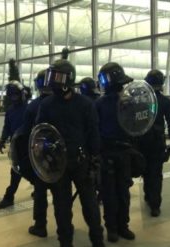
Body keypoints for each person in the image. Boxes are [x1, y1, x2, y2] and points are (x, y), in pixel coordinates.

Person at [36, 53, 105, 247]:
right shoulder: (47, 104)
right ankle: (65, 242)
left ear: (68, 78)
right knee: (62, 207)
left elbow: (93, 133)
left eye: (57, 77)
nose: (53, 82)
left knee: (90, 205)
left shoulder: (85, 104)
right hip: (58, 165)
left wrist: (95, 158)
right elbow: (40, 133)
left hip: (81, 162)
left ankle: (97, 241)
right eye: (52, 77)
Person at [95, 62, 137, 242]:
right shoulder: (126, 102)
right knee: (121, 192)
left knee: (111, 193)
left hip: (110, 154)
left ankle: (114, 228)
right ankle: (120, 227)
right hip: (119, 153)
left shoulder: (100, 104)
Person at [138, 69, 170, 217]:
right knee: (155, 173)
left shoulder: (140, 101)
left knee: (145, 171)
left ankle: (148, 196)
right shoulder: (165, 101)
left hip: (141, 143)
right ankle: (155, 205)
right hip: (157, 143)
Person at [0, 59, 29, 209]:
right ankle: (9, 197)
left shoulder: (30, 109)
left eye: (16, 95)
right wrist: (3, 139)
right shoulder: (10, 110)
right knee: (15, 172)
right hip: (17, 145)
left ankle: (41, 191)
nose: (14, 98)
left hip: (30, 144)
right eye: (12, 96)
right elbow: (7, 126)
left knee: (35, 172)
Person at [24, 69, 52, 238]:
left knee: (40, 191)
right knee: (61, 193)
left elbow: (26, 132)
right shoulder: (62, 102)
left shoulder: (33, 106)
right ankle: (65, 228)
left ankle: (40, 225)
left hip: (40, 154)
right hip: (60, 155)